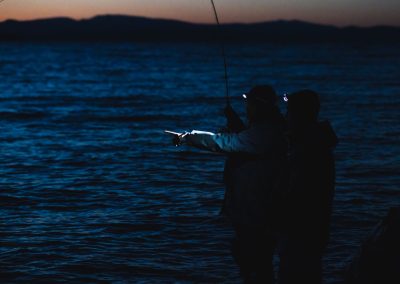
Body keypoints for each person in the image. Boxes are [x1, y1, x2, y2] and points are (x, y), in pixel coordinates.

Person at [171, 85, 287, 283]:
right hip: (254, 208)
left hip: (256, 210)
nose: (246, 108)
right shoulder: (268, 128)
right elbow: (246, 139)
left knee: (255, 263)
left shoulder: (266, 132)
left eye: (249, 103)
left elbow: (225, 143)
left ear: (258, 105)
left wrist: (187, 138)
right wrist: (235, 121)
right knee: (253, 259)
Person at [278, 90, 338, 284]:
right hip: (312, 231)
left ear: (299, 115)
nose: (286, 117)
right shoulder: (315, 142)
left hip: (301, 232)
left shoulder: (308, 150)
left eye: (289, 112)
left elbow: (296, 193)